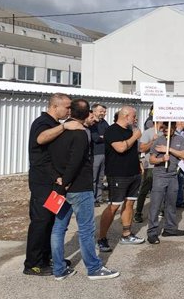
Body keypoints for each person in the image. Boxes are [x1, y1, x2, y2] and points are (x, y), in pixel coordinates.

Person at [49, 98, 119, 280]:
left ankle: (58, 269)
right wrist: (66, 181)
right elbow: (76, 161)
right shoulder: (81, 133)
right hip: (78, 187)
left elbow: (52, 157)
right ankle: (94, 268)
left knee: (58, 228)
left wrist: (60, 181)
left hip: (60, 187)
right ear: (88, 113)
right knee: (86, 229)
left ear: (71, 112)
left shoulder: (58, 130)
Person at [24, 93, 82, 276]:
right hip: (42, 182)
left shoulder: (56, 124)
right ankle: (32, 264)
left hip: (53, 182)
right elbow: (40, 140)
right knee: (40, 222)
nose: (69, 110)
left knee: (50, 221)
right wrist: (64, 126)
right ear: (55, 106)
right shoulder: (42, 123)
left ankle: (46, 258)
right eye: (66, 107)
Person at [96, 106, 145, 252]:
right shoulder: (112, 130)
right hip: (118, 174)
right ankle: (102, 238)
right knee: (114, 206)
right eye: (134, 116)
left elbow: (135, 150)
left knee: (129, 204)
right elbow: (121, 148)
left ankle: (126, 234)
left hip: (134, 173)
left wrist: (140, 162)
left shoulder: (130, 130)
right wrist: (135, 136)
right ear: (125, 115)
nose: (135, 119)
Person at [146, 122, 184, 244]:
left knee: (171, 203)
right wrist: (161, 159)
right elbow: (151, 159)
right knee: (156, 204)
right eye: (163, 128)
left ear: (174, 128)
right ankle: (152, 232)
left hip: (173, 175)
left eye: (167, 128)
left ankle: (170, 228)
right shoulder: (158, 140)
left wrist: (168, 149)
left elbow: (183, 155)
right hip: (160, 175)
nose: (164, 130)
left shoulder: (180, 139)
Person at [134, 120, 161, 223]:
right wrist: (153, 141)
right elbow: (141, 148)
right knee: (145, 190)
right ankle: (138, 213)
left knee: (160, 190)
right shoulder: (148, 132)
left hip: (162, 165)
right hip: (150, 165)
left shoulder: (167, 132)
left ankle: (159, 211)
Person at [89, 104, 109, 205]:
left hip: (104, 153)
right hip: (95, 153)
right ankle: (92, 199)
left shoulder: (104, 123)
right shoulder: (92, 124)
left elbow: (110, 135)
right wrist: (104, 137)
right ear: (94, 111)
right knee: (93, 177)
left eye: (104, 111)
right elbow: (95, 138)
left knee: (101, 177)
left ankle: (99, 197)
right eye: (101, 111)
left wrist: (103, 137)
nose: (103, 113)